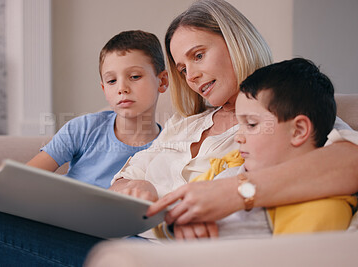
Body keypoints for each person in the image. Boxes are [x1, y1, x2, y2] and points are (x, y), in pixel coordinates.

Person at [111, 0, 358, 241]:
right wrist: (135, 188)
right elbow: (121, 181)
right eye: (183, 69)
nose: (192, 76)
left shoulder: (283, 113)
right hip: (127, 234)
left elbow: (350, 163)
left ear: (236, 42)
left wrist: (236, 192)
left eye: (198, 56)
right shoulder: (182, 124)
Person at [0, 30, 168, 266]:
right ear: (103, 89)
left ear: (162, 81)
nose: (122, 88)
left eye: (135, 76)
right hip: (58, 231)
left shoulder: (170, 148)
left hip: (111, 244)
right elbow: (29, 175)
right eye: (112, 81)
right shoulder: (84, 128)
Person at [153, 58, 357, 240]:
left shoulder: (319, 208)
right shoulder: (230, 166)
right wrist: (177, 224)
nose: (238, 136)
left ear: (298, 130)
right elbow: (172, 213)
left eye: (251, 124)